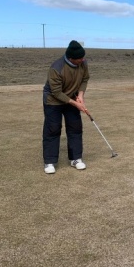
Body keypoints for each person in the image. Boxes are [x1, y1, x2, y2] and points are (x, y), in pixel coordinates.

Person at [42, 40, 90, 174]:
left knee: (75, 128)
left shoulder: (83, 63)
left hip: (72, 97)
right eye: (80, 58)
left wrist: (80, 96)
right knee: (53, 129)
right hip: (53, 101)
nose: (83, 60)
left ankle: (76, 159)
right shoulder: (56, 68)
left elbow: (85, 79)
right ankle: (50, 162)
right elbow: (56, 92)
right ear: (71, 58)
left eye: (83, 57)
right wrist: (76, 104)